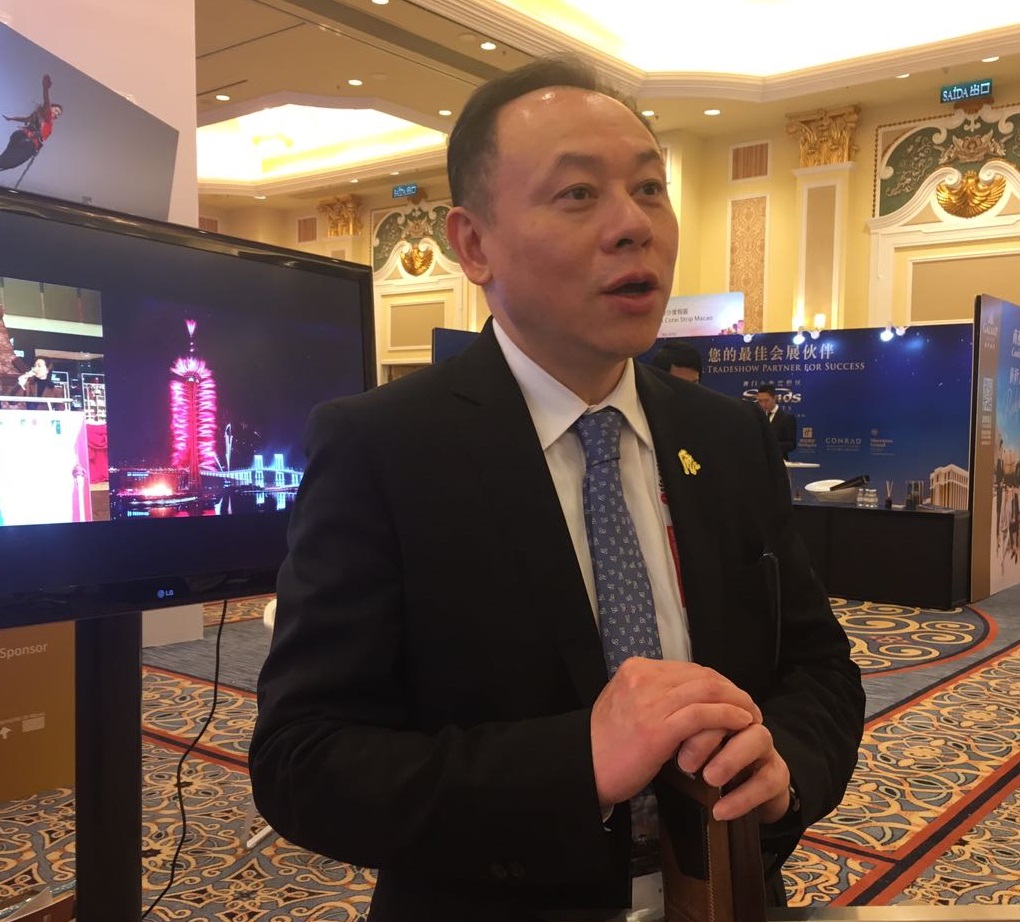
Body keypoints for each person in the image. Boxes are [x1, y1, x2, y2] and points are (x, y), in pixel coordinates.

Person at [250, 54, 864, 922]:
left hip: (727, 897)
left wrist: (786, 767)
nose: (633, 225)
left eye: (649, 189)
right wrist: (576, 763)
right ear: (474, 245)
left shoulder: (727, 438)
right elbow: (304, 760)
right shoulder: (381, 447)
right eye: (578, 194)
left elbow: (818, 666)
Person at [0, 74, 62, 174]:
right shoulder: (47, 115)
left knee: (5, 161)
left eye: (59, 114)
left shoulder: (41, 117)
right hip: (27, 142)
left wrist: (11, 118)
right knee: (8, 163)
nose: (57, 114)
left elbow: (25, 119)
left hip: (20, 137)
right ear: (51, 108)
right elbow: (47, 102)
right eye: (56, 111)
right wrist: (45, 88)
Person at [756, 383, 798, 460]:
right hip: (759, 460)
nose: (763, 404)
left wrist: (771, 445)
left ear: (774, 398)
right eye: (760, 401)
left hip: (778, 461)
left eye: (766, 400)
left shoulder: (787, 417)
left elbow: (792, 444)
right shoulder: (757, 417)